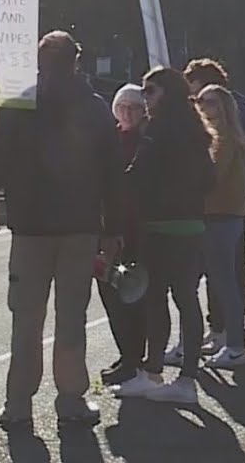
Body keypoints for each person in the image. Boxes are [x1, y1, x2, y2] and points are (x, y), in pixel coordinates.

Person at [0, 31, 125, 430]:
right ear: (76, 61)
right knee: (71, 316)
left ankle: (19, 405)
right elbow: (113, 172)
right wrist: (114, 228)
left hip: (29, 227)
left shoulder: (18, 106)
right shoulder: (94, 109)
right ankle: (71, 399)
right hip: (79, 227)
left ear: (39, 61)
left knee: (26, 319)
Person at [110, 66, 214, 405]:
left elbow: (137, 175)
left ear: (166, 92)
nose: (145, 98)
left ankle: (152, 373)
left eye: (150, 91)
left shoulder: (158, 129)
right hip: (192, 225)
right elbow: (210, 180)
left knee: (156, 300)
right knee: (187, 299)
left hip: (160, 226)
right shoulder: (196, 130)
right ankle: (186, 379)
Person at [182, 59, 245, 348]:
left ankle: (232, 341)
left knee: (224, 280)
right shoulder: (219, 135)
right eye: (198, 101)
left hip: (222, 214)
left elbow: (210, 176)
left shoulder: (224, 137)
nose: (199, 105)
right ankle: (221, 333)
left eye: (205, 100)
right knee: (214, 278)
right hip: (219, 213)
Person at [98, 83, 149, 386]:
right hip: (107, 226)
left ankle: (134, 357)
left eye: (134, 107)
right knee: (110, 293)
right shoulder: (110, 139)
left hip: (133, 230)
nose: (127, 112)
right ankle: (127, 352)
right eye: (122, 107)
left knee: (130, 295)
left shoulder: (144, 141)